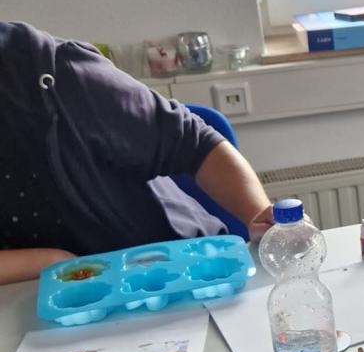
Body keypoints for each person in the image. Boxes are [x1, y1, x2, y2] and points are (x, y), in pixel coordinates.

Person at [0, 21, 274, 285]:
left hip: (177, 270)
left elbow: (195, 144)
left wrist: (261, 218)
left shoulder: (52, 73)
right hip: (49, 291)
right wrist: (50, 261)